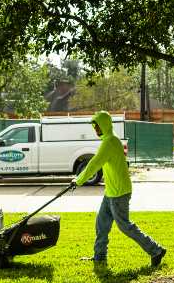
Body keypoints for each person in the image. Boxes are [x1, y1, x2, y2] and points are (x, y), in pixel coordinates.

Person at [71, 111, 166, 267]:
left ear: (104, 125)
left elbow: (95, 163)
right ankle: (100, 256)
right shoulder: (110, 140)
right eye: (94, 127)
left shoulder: (110, 142)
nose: (96, 130)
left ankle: (156, 250)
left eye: (97, 126)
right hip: (111, 191)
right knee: (101, 223)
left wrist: (78, 180)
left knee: (125, 226)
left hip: (119, 192)